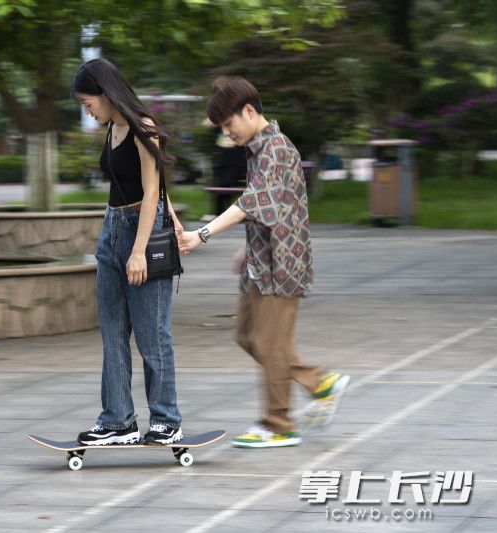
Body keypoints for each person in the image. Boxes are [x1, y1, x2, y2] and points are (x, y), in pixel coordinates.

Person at [180, 76, 350, 449]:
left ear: (249, 111)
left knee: (271, 345)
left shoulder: (276, 148)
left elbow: (251, 201)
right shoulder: (257, 149)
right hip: (259, 259)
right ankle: (319, 382)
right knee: (247, 337)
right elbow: (270, 206)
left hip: (281, 264)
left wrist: (201, 234)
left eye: (228, 124)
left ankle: (278, 425)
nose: (227, 133)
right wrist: (247, 248)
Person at [71, 58, 186, 445]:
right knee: (113, 333)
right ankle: (118, 419)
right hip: (111, 232)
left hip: (143, 234)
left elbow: (153, 191)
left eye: (88, 103)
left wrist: (139, 251)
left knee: (152, 336)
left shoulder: (143, 127)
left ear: (105, 93)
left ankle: (166, 419)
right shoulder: (113, 128)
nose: (88, 111)